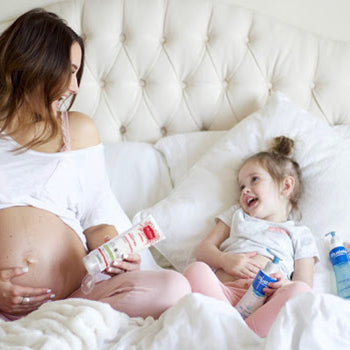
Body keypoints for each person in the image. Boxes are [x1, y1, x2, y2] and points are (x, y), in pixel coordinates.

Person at [0, 8, 191, 321]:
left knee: (173, 287)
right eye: (70, 70)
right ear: (36, 61)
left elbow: (97, 219)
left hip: (79, 297)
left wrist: (116, 250)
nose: (75, 87)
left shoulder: (77, 130)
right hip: (5, 307)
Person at [183, 136, 319, 337]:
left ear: (286, 186)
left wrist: (285, 285)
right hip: (224, 293)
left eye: (254, 179)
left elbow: (305, 284)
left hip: (266, 301)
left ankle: (234, 335)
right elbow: (203, 249)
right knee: (196, 269)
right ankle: (237, 336)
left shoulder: (300, 234)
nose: (245, 189)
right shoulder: (236, 215)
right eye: (241, 187)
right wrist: (225, 260)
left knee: (299, 292)